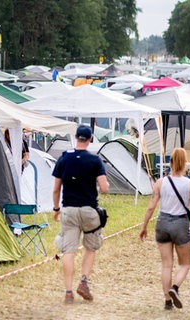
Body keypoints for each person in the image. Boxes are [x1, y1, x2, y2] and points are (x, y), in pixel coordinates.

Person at [139, 147, 190, 310]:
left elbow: (151, 207)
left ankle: (167, 301)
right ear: (184, 164)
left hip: (162, 223)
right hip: (180, 224)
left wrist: (144, 227)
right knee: (184, 264)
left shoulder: (160, 183)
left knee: (166, 265)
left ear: (170, 163)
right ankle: (175, 287)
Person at [52, 124, 110, 304]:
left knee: (68, 251)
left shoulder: (64, 158)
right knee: (91, 247)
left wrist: (56, 209)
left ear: (76, 137)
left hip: (68, 210)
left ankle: (68, 292)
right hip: (89, 211)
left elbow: (56, 189)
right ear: (91, 139)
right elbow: (104, 188)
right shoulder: (95, 160)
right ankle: (83, 281)